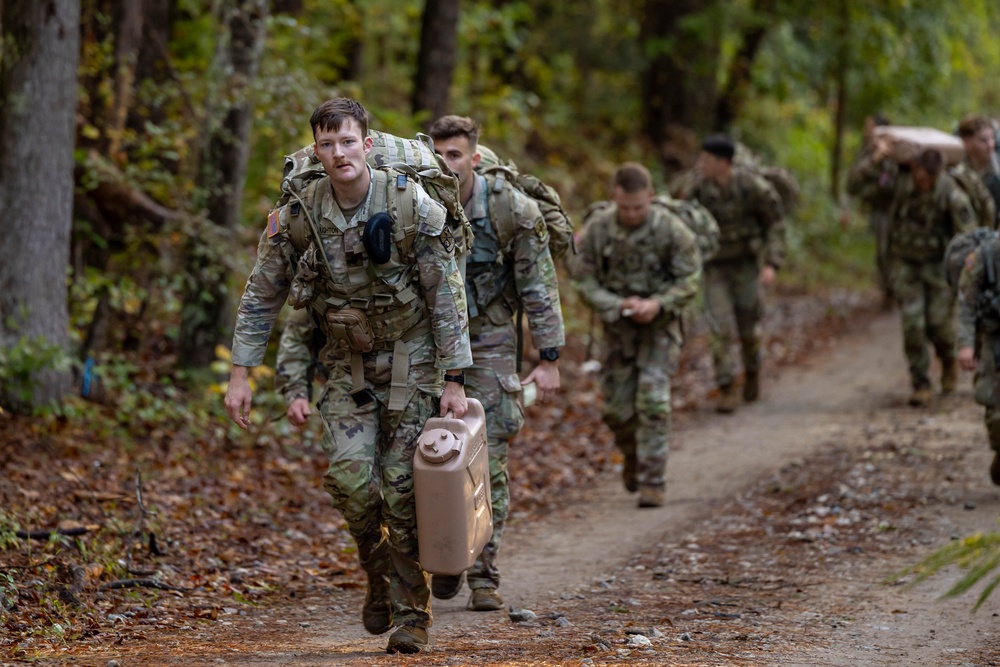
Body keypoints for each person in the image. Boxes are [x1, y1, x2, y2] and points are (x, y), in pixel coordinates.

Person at [224, 97, 473, 654]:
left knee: (403, 492)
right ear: (317, 150)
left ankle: (413, 616)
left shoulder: (411, 205)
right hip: (345, 366)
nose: (339, 153)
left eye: (347, 141)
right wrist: (241, 375)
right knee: (355, 487)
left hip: (414, 359)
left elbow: (446, 294)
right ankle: (377, 573)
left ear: (366, 143)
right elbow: (260, 296)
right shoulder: (299, 214)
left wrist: (455, 379)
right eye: (327, 143)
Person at [425, 115, 565, 610]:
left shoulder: (512, 209)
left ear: (475, 157)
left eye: (456, 154)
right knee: (425, 455)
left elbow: (539, 286)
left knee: (489, 458)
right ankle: (444, 556)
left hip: (489, 338)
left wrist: (548, 358)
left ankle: (483, 572)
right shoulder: (414, 202)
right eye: (438, 153)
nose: (446, 164)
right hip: (427, 344)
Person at [572, 162, 701, 508]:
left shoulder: (671, 230)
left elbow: (690, 279)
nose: (631, 214)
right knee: (616, 411)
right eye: (625, 207)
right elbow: (582, 278)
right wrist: (614, 304)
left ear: (651, 198)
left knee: (654, 401)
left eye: (639, 207)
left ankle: (652, 481)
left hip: (660, 328)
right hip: (617, 330)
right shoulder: (599, 229)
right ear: (614, 197)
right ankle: (633, 457)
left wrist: (658, 304)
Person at [855, 146, 976, 406]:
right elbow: (855, 187)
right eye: (921, 177)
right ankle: (920, 383)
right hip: (905, 264)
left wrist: (968, 268)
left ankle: (947, 358)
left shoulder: (951, 194)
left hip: (939, 267)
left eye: (930, 179)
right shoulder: (897, 186)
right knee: (913, 323)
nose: (924, 184)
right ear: (913, 169)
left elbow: (969, 236)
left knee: (939, 325)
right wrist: (874, 160)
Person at [678, 134, 786, 413]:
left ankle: (752, 371)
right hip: (715, 267)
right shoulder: (697, 190)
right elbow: (681, 225)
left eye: (706, 160)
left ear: (723, 163)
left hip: (747, 266)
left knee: (749, 329)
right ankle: (726, 386)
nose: (700, 164)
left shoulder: (752, 188)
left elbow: (775, 222)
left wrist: (771, 263)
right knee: (719, 327)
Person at [957, 233, 1000, 485]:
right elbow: (966, 303)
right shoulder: (986, 254)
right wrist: (965, 344)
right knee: (996, 414)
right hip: (994, 339)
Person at [846, 114, 896, 307]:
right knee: (883, 254)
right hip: (880, 210)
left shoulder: (898, 152)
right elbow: (853, 183)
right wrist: (875, 159)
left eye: (871, 128)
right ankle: (888, 292)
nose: (867, 132)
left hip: (899, 211)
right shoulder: (868, 153)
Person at [956, 114, 1000, 227]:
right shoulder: (957, 173)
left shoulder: (996, 170)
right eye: (983, 140)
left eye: (992, 138)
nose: (990, 145)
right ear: (966, 142)